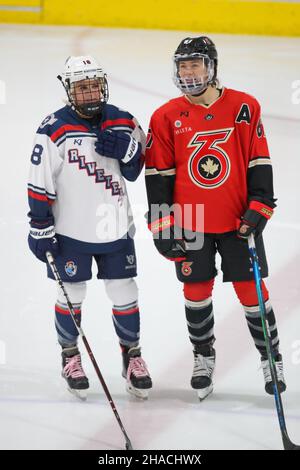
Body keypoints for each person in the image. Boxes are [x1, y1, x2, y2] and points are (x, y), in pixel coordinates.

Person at [145, 36, 285, 401]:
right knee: (195, 292)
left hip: (238, 217)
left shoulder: (243, 106)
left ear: (212, 67)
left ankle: (271, 358)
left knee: (252, 292)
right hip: (190, 218)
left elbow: (259, 160)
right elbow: (158, 175)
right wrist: (161, 224)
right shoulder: (165, 116)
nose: (188, 72)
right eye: (183, 65)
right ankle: (203, 357)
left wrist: (260, 206)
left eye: (195, 64)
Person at [27, 55, 152, 400]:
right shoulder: (53, 128)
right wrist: (40, 225)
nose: (89, 92)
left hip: (115, 227)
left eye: (94, 85)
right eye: (82, 87)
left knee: (125, 291)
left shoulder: (124, 120)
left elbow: (137, 168)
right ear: (69, 90)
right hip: (71, 231)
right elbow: (39, 181)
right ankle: (70, 357)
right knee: (73, 293)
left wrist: (129, 150)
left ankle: (133, 357)